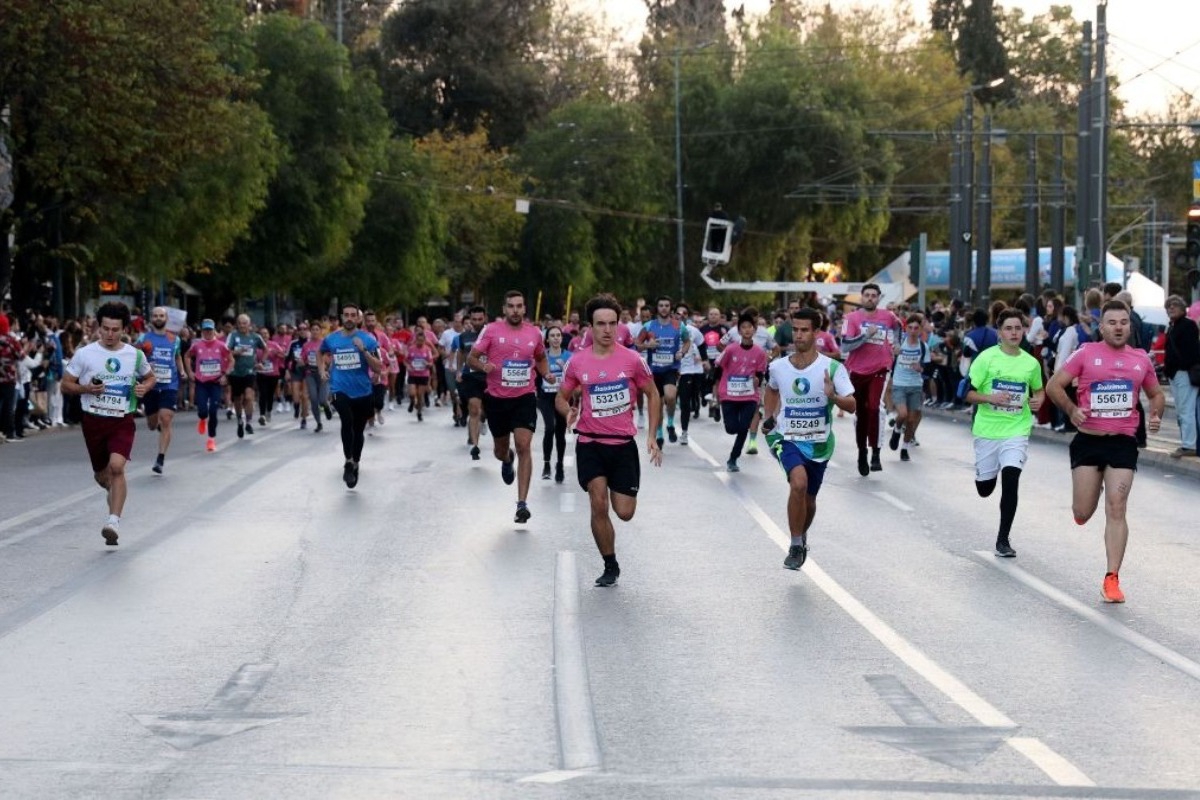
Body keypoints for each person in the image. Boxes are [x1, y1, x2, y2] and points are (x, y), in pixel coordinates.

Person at [1046, 300, 1165, 604]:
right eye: (1112, 322)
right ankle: (1091, 492)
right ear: (1101, 327)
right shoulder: (1086, 353)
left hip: (1123, 441)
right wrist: (1071, 410)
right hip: (1088, 441)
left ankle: (1112, 578)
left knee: (1117, 506)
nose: (1118, 327)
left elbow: (1156, 393)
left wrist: (1155, 415)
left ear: (1130, 325)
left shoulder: (1141, 359)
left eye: (1124, 322)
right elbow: (1054, 386)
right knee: (1083, 512)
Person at [556, 294, 661, 586]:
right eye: (600, 324)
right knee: (598, 503)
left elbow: (653, 394)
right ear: (589, 327)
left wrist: (652, 435)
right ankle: (610, 564)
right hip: (590, 442)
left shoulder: (632, 360)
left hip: (622, 446)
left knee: (624, 512)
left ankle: (611, 555)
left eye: (612, 324)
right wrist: (568, 411)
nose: (607, 330)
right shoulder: (577, 362)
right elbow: (561, 397)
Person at [761, 308, 856, 570]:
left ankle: (801, 538)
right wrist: (769, 417)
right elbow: (771, 390)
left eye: (805, 330)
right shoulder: (778, 366)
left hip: (819, 443)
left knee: (810, 501)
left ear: (816, 332)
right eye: (796, 329)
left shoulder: (832, 368)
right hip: (786, 436)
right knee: (798, 484)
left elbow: (852, 404)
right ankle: (793, 544)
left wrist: (833, 397)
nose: (799, 335)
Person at [59, 302, 156, 545]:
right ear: (98, 327)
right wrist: (86, 388)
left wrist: (144, 387)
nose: (110, 334)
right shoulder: (85, 353)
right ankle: (113, 495)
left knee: (117, 467)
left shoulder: (135, 355)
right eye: (105, 329)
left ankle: (113, 521)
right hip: (93, 421)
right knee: (103, 476)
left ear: (124, 329)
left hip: (122, 420)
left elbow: (150, 377)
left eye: (115, 329)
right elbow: (65, 384)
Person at [467, 290, 555, 524]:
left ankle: (522, 504)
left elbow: (540, 357)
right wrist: (482, 366)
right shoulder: (492, 330)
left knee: (524, 445)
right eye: (511, 306)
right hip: (496, 399)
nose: (515, 310)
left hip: (524, 397)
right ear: (504, 309)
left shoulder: (534, 333)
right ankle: (507, 460)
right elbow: (471, 358)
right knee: (500, 450)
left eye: (519, 306)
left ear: (524, 309)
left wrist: (545, 373)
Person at [963, 309, 1045, 558]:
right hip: (987, 430)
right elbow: (967, 393)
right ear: (1000, 332)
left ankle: (1003, 540)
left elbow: (1039, 390)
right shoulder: (986, 359)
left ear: (1024, 330)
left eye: (1018, 328)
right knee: (985, 489)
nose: (1014, 333)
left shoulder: (1030, 363)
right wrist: (990, 397)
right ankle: (989, 472)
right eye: (1008, 328)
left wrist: (1038, 401)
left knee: (1011, 479)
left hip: (1016, 430)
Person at [319, 304, 383, 488]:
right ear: (341, 317)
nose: (349, 318)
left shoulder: (368, 339)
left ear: (357, 318)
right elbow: (320, 351)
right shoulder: (332, 339)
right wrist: (322, 370)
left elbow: (378, 367)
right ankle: (348, 461)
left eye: (352, 315)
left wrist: (363, 351)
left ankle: (355, 462)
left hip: (363, 391)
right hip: (339, 389)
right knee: (346, 421)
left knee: (358, 429)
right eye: (346, 315)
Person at [840, 283, 902, 475]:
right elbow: (845, 346)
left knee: (874, 408)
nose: (870, 298)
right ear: (861, 297)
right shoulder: (851, 318)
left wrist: (897, 344)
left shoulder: (888, 316)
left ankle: (876, 452)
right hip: (857, 371)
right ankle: (861, 453)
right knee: (862, 413)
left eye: (874, 296)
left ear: (878, 298)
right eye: (867, 295)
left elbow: (899, 326)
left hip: (880, 369)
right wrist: (866, 335)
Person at [714, 311, 769, 471]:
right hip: (729, 394)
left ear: (754, 330)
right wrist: (715, 390)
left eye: (749, 327)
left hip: (749, 396)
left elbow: (760, 373)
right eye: (743, 327)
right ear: (739, 331)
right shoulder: (730, 349)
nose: (746, 330)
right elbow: (718, 367)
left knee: (744, 426)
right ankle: (720, 412)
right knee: (731, 429)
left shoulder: (759, 352)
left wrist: (757, 379)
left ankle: (733, 458)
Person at [135, 307, 186, 474]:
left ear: (166, 318)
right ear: (151, 318)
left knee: (166, 418)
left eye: (161, 315)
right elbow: (135, 358)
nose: (158, 318)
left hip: (169, 384)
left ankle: (160, 459)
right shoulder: (144, 338)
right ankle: (158, 426)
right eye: (155, 315)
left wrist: (182, 370)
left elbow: (177, 356)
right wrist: (145, 367)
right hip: (150, 385)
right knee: (152, 424)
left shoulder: (174, 339)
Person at [636, 295, 687, 447]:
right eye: (661, 305)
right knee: (657, 404)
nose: (664, 308)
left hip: (671, 369)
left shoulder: (679, 326)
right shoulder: (649, 326)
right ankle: (659, 433)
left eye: (666, 305)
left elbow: (687, 341)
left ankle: (670, 423)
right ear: (657, 309)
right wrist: (648, 346)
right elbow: (637, 344)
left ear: (670, 308)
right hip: (654, 371)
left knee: (671, 397)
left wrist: (682, 352)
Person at [186, 319, 232, 453]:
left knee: (213, 410)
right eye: (205, 330)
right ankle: (201, 418)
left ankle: (211, 439)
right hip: (201, 382)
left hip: (216, 382)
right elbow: (187, 356)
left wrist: (225, 374)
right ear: (202, 331)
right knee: (202, 410)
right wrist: (190, 372)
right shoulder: (197, 345)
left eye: (210, 330)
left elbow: (231, 359)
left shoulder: (221, 345)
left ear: (214, 331)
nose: (207, 333)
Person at [888, 313, 930, 461]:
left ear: (920, 330)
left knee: (912, 420)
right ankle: (896, 429)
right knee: (903, 414)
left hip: (916, 386)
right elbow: (887, 359)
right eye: (910, 327)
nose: (913, 330)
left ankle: (904, 449)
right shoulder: (899, 345)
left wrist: (921, 368)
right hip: (900, 384)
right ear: (906, 329)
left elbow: (927, 367)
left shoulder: (923, 347)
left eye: (916, 328)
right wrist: (893, 354)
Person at [1162, 295, 1199, 459]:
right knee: (1182, 410)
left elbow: (1192, 351)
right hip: (1175, 373)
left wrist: (1180, 366)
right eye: (1169, 306)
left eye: (1175, 305)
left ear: (1183, 309)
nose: (1171, 308)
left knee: (1186, 410)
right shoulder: (1172, 326)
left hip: (1183, 373)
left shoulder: (1188, 325)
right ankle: (1188, 443)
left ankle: (1188, 445)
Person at [537, 325, 571, 482]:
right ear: (547, 339)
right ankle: (546, 464)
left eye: (558, 335)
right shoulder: (542, 356)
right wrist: (545, 375)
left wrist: (564, 369)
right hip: (546, 398)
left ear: (562, 338)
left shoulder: (569, 356)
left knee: (560, 431)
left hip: (562, 398)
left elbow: (575, 377)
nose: (556, 338)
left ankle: (559, 465)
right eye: (553, 335)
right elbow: (535, 374)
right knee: (550, 427)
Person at [455, 305, 489, 460]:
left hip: (489, 378)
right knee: (474, 409)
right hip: (471, 377)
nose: (476, 322)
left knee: (485, 411)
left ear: (485, 318)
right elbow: (461, 353)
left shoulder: (492, 335)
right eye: (474, 319)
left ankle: (484, 420)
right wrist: (459, 370)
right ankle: (475, 446)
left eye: (480, 319)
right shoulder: (464, 337)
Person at [226, 314, 266, 438]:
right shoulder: (233, 335)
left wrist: (261, 363)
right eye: (240, 323)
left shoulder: (255, 337)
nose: (242, 325)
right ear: (237, 324)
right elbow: (225, 351)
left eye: (244, 323)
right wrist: (235, 352)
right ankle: (239, 420)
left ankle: (248, 422)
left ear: (249, 324)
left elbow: (266, 349)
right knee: (237, 399)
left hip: (250, 371)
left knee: (248, 397)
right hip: (235, 372)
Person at [403, 323, 435, 421]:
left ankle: (419, 412)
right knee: (412, 393)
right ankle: (412, 401)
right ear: (415, 340)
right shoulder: (411, 348)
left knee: (420, 395)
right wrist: (408, 366)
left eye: (422, 341)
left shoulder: (427, 350)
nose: (420, 342)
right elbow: (405, 360)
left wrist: (429, 364)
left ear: (424, 340)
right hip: (413, 374)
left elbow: (431, 361)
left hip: (423, 375)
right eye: (418, 340)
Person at [255, 325, 285, 428]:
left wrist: (277, 354)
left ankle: (268, 411)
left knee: (270, 395)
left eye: (266, 333)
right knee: (262, 393)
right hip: (261, 373)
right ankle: (262, 415)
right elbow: (252, 358)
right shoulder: (256, 346)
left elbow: (283, 355)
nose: (264, 335)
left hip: (273, 374)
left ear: (269, 335)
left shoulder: (274, 345)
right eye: (262, 334)